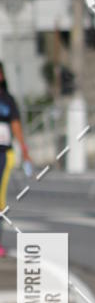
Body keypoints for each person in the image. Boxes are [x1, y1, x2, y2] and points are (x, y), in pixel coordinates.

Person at [0, 62, 32, 256]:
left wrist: (24, 150)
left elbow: (16, 125)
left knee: (0, 199)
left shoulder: (8, 100)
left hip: (4, 154)